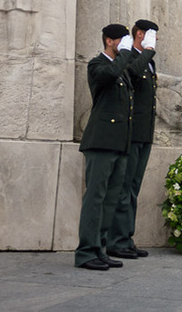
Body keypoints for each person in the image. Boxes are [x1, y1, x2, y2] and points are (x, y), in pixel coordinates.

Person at [75, 24, 134, 271]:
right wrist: (122, 54)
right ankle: (86, 252)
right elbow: (109, 76)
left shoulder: (122, 69)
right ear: (109, 41)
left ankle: (99, 248)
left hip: (119, 143)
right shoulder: (97, 65)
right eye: (121, 41)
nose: (125, 46)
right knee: (95, 197)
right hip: (100, 141)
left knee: (110, 199)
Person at [107, 19, 158, 260]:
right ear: (139, 34)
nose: (155, 41)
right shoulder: (129, 57)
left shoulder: (149, 61)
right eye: (151, 35)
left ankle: (126, 238)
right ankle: (116, 240)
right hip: (130, 132)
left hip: (144, 132)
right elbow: (132, 74)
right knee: (124, 188)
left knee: (133, 188)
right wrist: (146, 51)